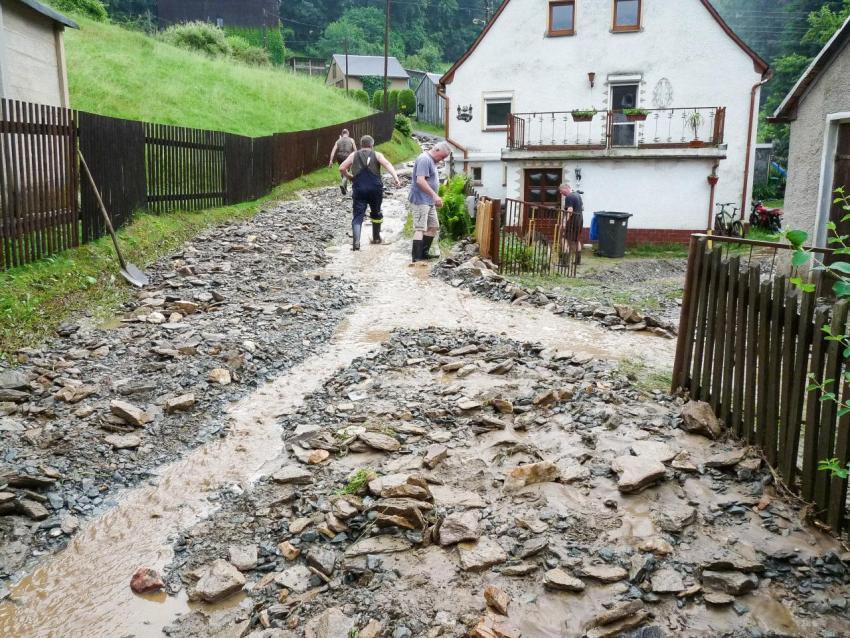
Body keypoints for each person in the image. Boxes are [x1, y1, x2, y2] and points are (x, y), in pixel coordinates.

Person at [339, 135, 400, 251]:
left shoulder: (354, 155)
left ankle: (356, 244)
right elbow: (387, 164)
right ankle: (376, 238)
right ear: (372, 145)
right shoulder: (377, 155)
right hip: (375, 189)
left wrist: (350, 177)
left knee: (358, 216)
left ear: (361, 144)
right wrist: (396, 178)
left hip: (359, 189)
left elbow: (342, 168)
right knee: (376, 212)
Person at [408, 142, 452, 263]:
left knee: (433, 226)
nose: (442, 160)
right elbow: (420, 181)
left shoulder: (431, 161)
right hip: (420, 199)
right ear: (436, 149)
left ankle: (424, 254)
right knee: (420, 228)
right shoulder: (424, 159)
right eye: (442, 156)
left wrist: (434, 197)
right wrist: (434, 195)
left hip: (429, 200)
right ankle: (416, 259)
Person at [559, 182, 584, 266]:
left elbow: (570, 210)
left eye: (561, 190)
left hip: (572, 221)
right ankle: (578, 261)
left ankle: (565, 262)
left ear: (566, 188)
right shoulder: (577, 195)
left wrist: (564, 222)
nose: (561, 193)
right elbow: (582, 207)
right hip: (580, 220)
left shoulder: (569, 197)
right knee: (576, 239)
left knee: (564, 238)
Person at [328, 129, 356, 195]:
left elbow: (333, 151)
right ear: (348, 133)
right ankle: (343, 184)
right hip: (347, 156)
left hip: (339, 156)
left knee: (342, 170)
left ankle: (345, 188)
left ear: (342, 134)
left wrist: (331, 161)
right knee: (346, 171)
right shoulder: (351, 140)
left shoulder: (338, 141)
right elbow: (355, 150)